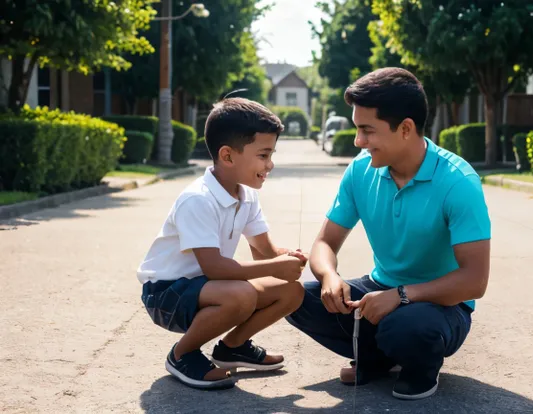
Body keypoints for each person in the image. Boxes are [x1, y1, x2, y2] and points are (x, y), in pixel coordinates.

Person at [286, 67, 491, 400]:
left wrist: (401, 296)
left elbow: (474, 281)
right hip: (379, 289)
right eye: (357, 130)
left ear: (406, 128)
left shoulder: (458, 182)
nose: (358, 141)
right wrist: (329, 277)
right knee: (291, 297)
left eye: (367, 130)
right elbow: (325, 243)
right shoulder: (360, 170)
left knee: (407, 328)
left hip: (441, 306)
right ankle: (382, 357)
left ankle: (416, 366)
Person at [137, 97, 307, 390]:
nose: (270, 164)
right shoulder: (198, 199)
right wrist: (275, 265)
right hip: (165, 294)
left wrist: (286, 257)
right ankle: (181, 354)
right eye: (263, 155)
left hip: (208, 287)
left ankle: (232, 348)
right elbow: (215, 268)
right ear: (227, 156)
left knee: (291, 291)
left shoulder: (247, 195)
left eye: (271, 154)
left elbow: (263, 251)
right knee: (240, 295)